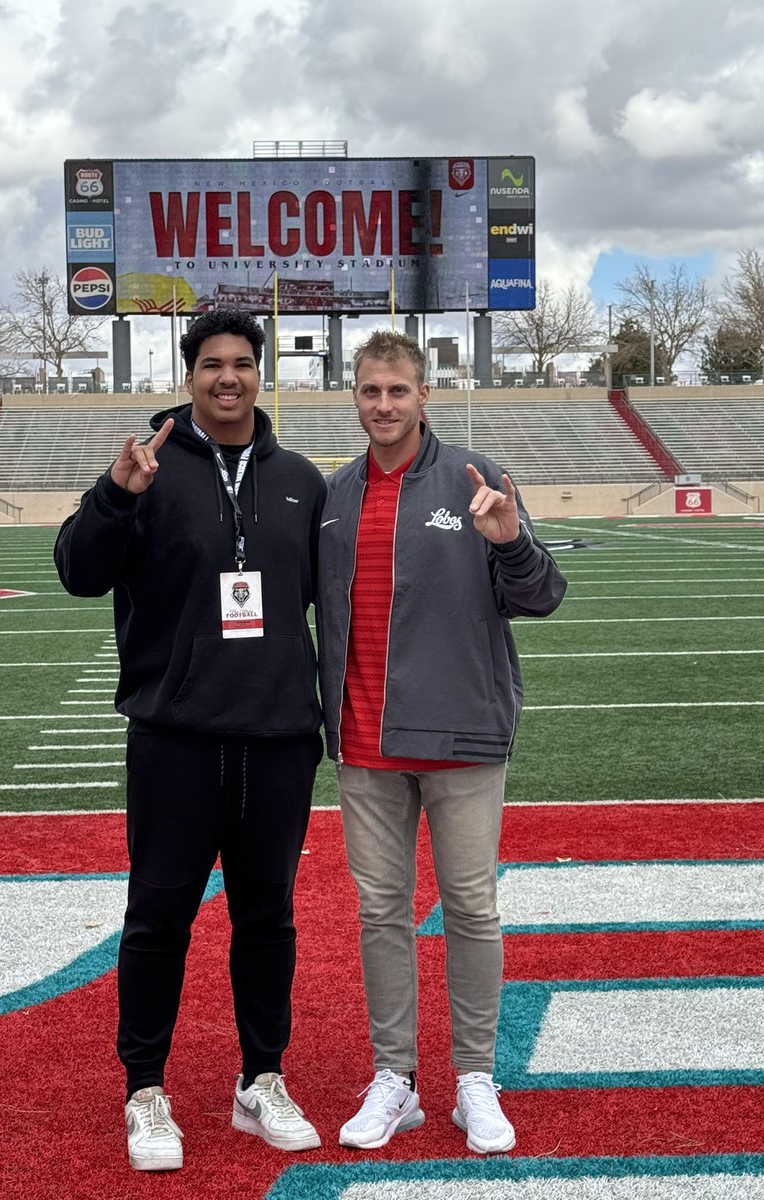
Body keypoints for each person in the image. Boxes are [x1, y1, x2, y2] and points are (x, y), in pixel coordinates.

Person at [54, 308, 326, 1171]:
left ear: (260, 372)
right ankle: (145, 1090)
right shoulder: (145, 467)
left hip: (278, 737)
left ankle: (261, 1080)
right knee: (158, 919)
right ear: (191, 373)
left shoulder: (302, 481)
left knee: (268, 920)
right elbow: (76, 572)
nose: (228, 378)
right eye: (212, 364)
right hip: (175, 737)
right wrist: (113, 498)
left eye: (242, 363)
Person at [316, 330, 567, 1155]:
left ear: (424, 395)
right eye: (368, 391)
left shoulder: (476, 476)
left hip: (462, 736)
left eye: (396, 391)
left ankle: (473, 1080)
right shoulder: (335, 494)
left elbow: (541, 597)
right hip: (363, 740)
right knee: (380, 913)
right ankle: (397, 1079)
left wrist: (511, 542)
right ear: (353, 398)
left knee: (471, 909)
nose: (382, 405)